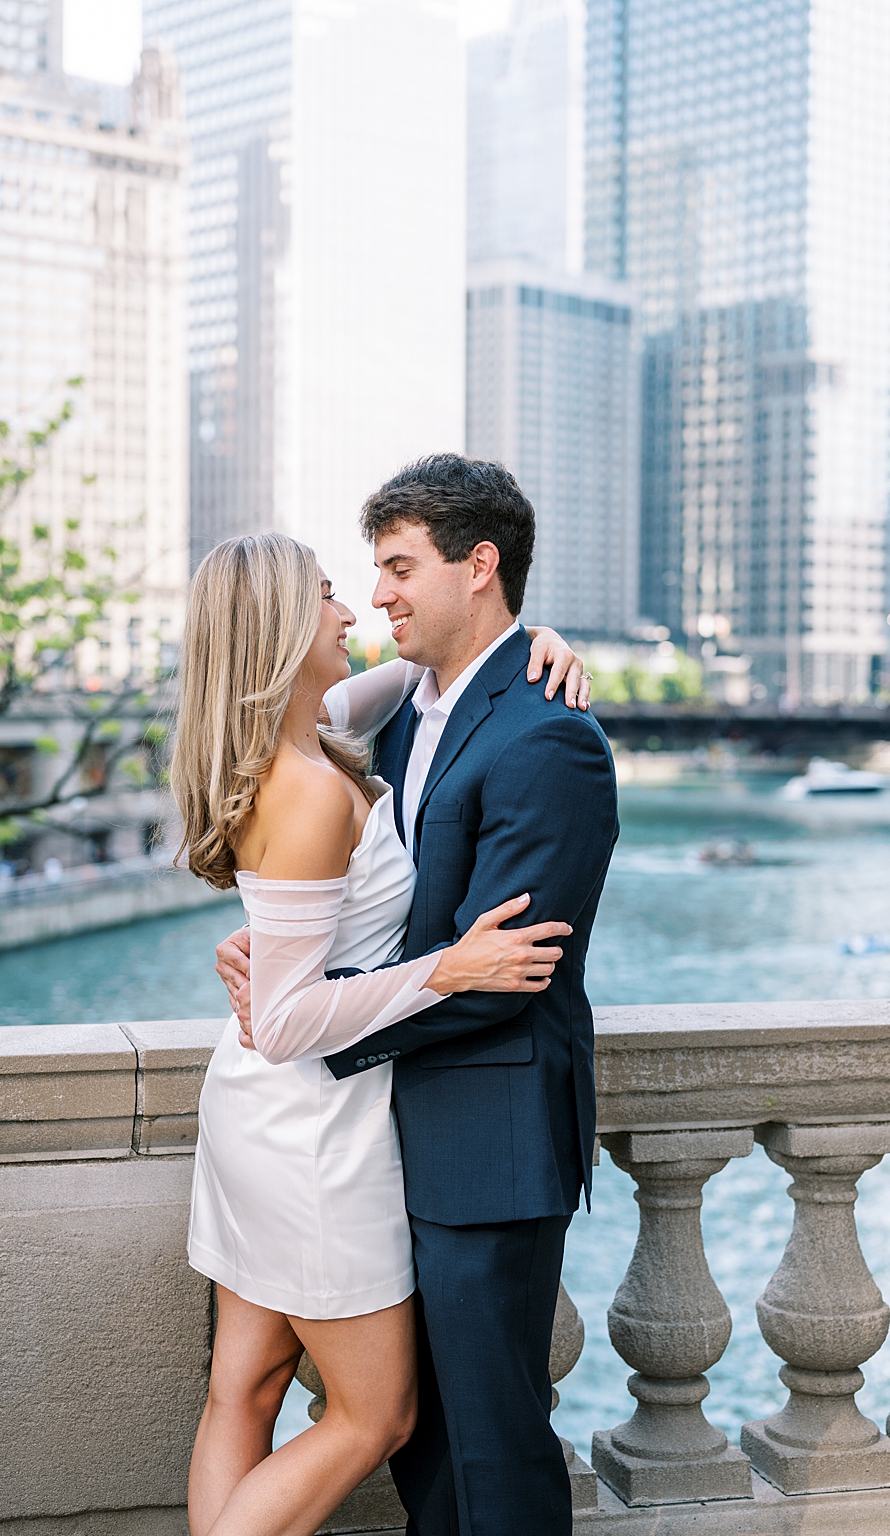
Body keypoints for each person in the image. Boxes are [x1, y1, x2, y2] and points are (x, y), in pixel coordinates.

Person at [208, 455, 619, 1535]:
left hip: (482, 1142)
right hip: (368, 1136)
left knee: (488, 1441)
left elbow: (505, 970)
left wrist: (300, 1019)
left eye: (397, 567)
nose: (377, 593)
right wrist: (271, 963)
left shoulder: (551, 739)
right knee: (422, 1449)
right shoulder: (386, 712)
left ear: (476, 567)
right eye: (367, 574)